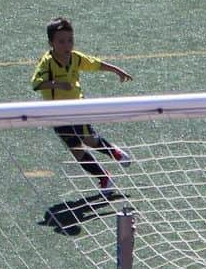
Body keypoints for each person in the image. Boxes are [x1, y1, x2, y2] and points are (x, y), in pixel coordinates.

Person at [32, 17, 133, 198]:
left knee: (89, 141)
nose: (67, 45)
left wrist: (117, 70)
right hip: (57, 115)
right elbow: (36, 83)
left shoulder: (76, 58)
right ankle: (104, 178)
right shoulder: (47, 62)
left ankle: (116, 154)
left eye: (70, 40)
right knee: (77, 151)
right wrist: (57, 84)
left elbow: (96, 64)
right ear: (51, 43)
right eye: (61, 41)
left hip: (77, 108)